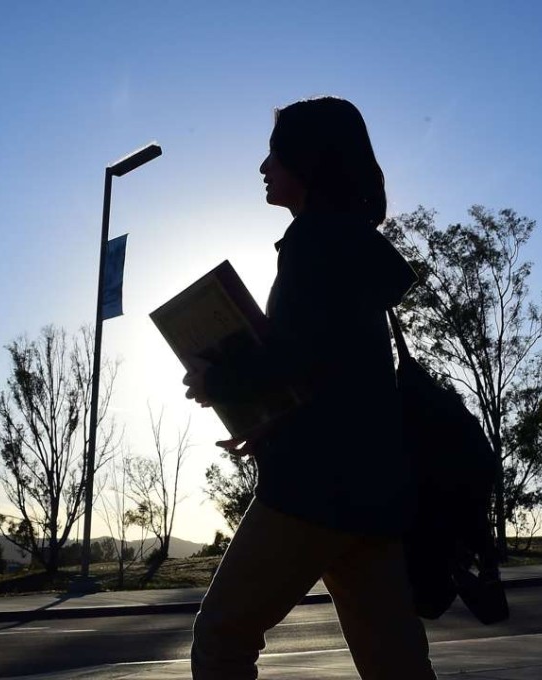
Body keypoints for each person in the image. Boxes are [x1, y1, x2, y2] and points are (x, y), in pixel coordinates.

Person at [182, 96, 436, 679]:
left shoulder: (314, 245)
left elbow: (296, 360)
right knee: (395, 666)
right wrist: (266, 417)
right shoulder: (349, 244)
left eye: (276, 153)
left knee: (221, 634)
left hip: (314, 488)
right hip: (372, 490)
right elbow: (334, 371)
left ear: (308, 160)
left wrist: (219, 379)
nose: (264, 166)